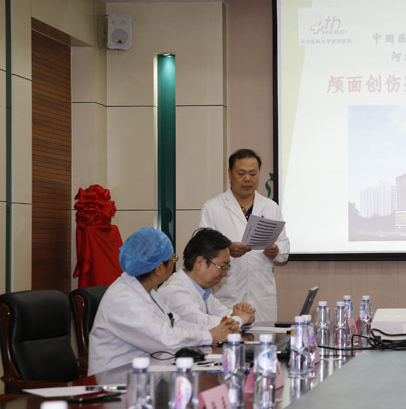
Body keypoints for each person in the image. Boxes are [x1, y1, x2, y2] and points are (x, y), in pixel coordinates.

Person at [88, 227, 239, 375]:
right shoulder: (123, 299)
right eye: (174, 259)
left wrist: (215, 331)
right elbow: (165, 340)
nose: (175, 264)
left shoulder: (147, 291)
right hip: (114, 379)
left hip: (145, 372)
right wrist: (210, 336)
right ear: (160, 268)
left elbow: (176, 323)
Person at [198, 149, 290, 323]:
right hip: (227, 297)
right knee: (228, 337)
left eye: (253, 174)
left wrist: (276, 251)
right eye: (241, 173)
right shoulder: (213, 208)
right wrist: (227, 250)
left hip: (262, 299)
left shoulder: (271, 207)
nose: (247, 179)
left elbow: (284, 248)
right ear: (230, 174)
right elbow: (200, 250)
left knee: (264, 339)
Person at [158, 228, 256, 328]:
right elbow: (202, 324)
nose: (225, 273)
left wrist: (244, 315)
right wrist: (239, 319)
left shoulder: (203, 291)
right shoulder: (174, 292)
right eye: (222, 266)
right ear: (200, 263)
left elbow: (223, 314)